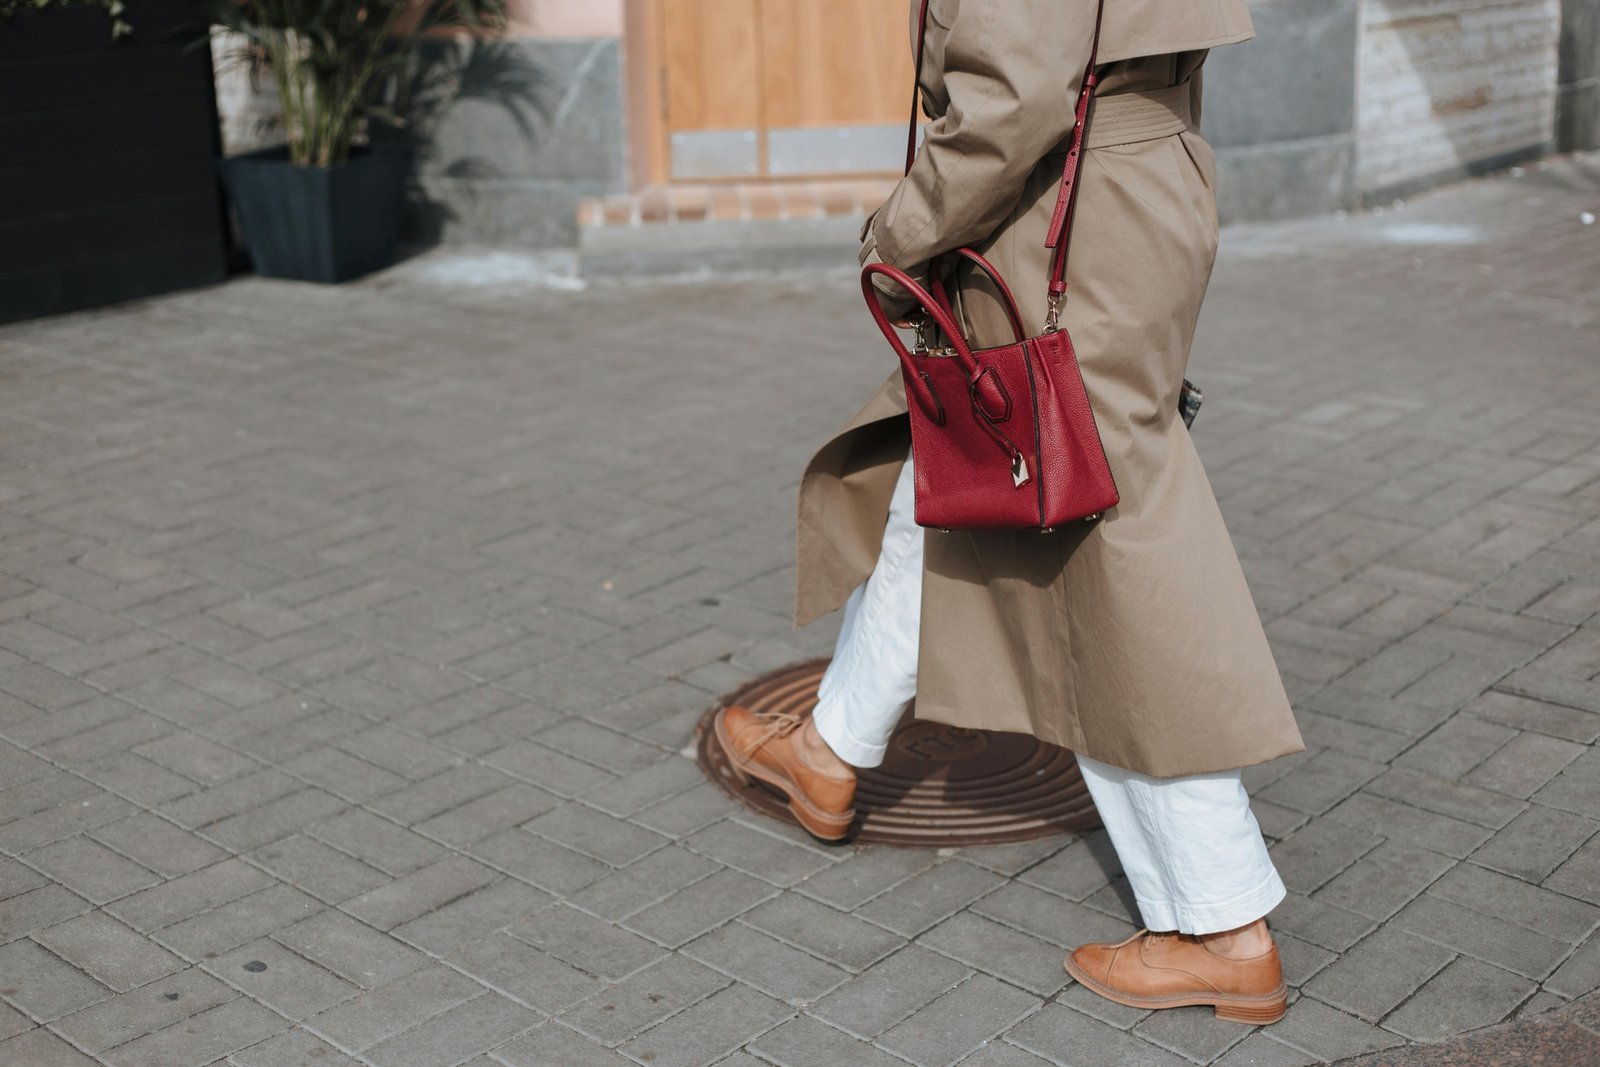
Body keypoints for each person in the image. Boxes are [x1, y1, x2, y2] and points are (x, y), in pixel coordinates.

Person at [713, 0, 1305, 1027]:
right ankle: (830, 747)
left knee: (1095, 537)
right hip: (1124, 167)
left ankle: (1223, 923)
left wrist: (896, 234)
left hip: (1056, 194)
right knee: (985, 466)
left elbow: (1013, 84)